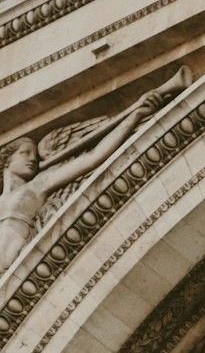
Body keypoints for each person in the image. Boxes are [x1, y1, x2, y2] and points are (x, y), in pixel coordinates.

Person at [0, 68, 189, 274]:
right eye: (24, 153)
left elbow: (93, 158)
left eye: (34, 155)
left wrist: (134, 116)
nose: (33, 159)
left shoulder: (37, 186)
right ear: (6, 161)